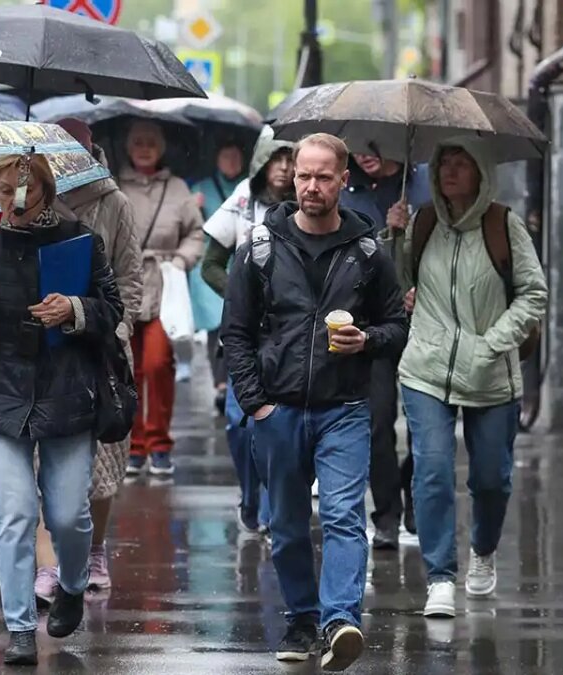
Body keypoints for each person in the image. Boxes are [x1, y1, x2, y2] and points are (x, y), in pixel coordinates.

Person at [221, 133, 407, 670]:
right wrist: (255, 404)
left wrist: (366, 340)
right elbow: (235, 333)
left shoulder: (368, 252)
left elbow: (397, 325)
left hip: (344, 407)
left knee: (345, 515)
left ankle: (339, 621)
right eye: (304, 175)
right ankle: (302, 619)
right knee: (287, 524)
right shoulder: (259, 248)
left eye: (324, 177)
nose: (311, 186)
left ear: (343, 181)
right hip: (277, 408)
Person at [0, 153, 123, 665]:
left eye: (24, 190)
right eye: (5, 191)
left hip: (67, 392)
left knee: (68, 514)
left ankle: (72, 583)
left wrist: (75, 309)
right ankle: (21, 626)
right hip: (2, 397)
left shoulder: (79, 240)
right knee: (15, 512)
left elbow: (112, 309)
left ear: (45, 192)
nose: (15, 200)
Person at [395, 138, 547, 619]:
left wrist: (492, 342)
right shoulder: (421, 222)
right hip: (427, 368)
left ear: (482, 173)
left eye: (462, 163)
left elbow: (533, 294)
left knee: (491, 478)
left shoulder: (504, 224)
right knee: (432, 471)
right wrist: (393, 237)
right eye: (444, 162)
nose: (450, 171)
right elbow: (396, 286)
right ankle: (440, 577)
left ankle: (483, 550)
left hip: (490, 370)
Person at [31, 118, 142, 601]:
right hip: (43, 350)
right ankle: (48, 565)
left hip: (101, 352)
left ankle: (95, 548)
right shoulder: (29, 198)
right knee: (44, 463)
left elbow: (130, 278)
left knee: (102, 468)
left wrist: (116, 331)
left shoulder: (114, 202)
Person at [199, 125, 294, 536]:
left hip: (288, 334)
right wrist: (240, 296)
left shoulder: (308, 205)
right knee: (240, 423)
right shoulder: (242, 200)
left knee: (276, 423)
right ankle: (251, 497)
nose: (285, 168)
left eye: (291, 159)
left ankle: (274, 507)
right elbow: (209, 266)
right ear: (262, 162)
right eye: (277, 159)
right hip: (243, 333)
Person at [341, 151, 431, 548]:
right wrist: (386, 235)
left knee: (423, 423)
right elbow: (348, 259)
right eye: (359, 148)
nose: (366, 155)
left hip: (423, 325)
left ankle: (414, 492)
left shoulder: (426, 186)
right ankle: (387, 514)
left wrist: (411, 235)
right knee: (378, 422)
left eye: (374, 147)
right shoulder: (348, 194)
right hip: (373, 325)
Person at [118, 120, 204, 477]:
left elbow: (196, 233)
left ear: (161, 148)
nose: (144, 148)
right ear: (128, 147)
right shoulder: (115, 186)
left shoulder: (178, 188)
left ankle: (159, 443)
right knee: (128, 369)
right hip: (123, 287)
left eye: (150, 142)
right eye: (137, 142)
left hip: (164, 288)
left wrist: (181, 260)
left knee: (157, 364)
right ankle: (134, 445)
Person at [193, 140, 248, 413]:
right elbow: (190, 228)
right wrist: (194, 208)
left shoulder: (248, 188)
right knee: (217, 323)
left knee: (236, 319)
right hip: (211, 262)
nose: (231, 161)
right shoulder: (200, 188)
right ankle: (220, 383)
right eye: (226, 156)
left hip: (240, 261)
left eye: (235, 156)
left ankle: (232, 379)